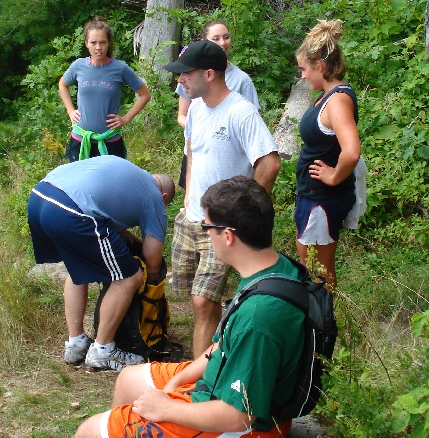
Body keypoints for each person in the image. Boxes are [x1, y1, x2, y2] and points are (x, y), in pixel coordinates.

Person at [74, 176, 304, 438]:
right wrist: (178, 382)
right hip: (224, 377)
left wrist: (168, 408)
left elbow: (239, 416)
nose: (204, 232)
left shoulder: (258, 317)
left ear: (227, 236)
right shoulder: (271, 269)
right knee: (128, 380)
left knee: (89, 431)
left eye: (206, 226)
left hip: (249, 424)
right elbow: (224, 343)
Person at [163, 40, 281, 357]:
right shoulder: (198, 109)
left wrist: (241, 212)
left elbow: (269, 163)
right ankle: (215, 354)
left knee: (203, 301)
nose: (180, 81)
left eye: (185, 74)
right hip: (190, 218)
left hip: (221, 224)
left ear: (210, 74)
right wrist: (188, 198)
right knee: (192, 297)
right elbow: (192, 153)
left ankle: (199, 385)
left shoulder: (241, 112)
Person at [27, 156, 176, 371]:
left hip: (40, 197)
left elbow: (99, 198)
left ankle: (76, 344)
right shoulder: (155, 198)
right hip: (71, 211)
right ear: (163, 196)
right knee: (129, 278)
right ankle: (103, 351)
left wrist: (121, 233)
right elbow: (153, 261)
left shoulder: (128, 171)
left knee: (77, 265)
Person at [294, 19, 361, 290]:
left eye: (304, 69)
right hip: (313, 198)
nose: (303, 76)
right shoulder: (327, 95)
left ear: (319, 66)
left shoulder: (338, 100)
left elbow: (352, 151)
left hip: (321, 201)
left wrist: (334, 177)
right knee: (314, 269)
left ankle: (322, 328)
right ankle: (319, 325)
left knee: (318, 274)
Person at [175, 21, 260, 188]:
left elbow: (250, 126)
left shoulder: (242, 81)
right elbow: (182, 115)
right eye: (216, 38)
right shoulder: (190, 79)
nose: (222, 42)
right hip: (198, 150)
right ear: (204, 41)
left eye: (226, 37)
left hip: (225, 158)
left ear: (210, 75)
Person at [59, 16, 151, 162]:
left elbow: (145, 95)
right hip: (81, 140)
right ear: (86, 44)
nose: (98, 47)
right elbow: (63, 84)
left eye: (102, 42)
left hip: (110, 142)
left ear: (108, 44)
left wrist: (125, 118)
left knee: (110, 184)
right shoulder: (78, 66)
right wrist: (70, 110)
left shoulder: (120, 68)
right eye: (93, 42)